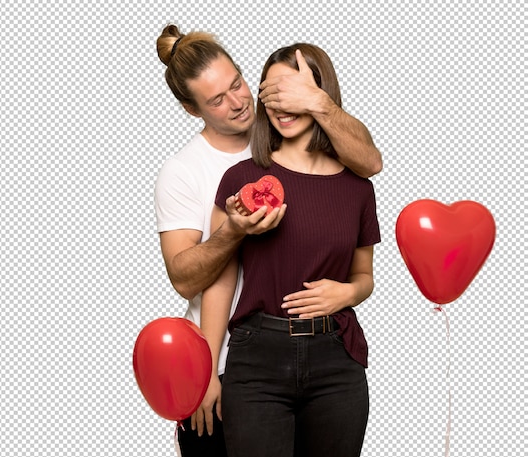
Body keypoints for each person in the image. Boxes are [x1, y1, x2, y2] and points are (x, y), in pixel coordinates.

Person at [154, 24, 382, 457]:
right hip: (238, 357)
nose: (239, 102)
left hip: (333, 352)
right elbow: (201, 279)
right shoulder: (204, 174)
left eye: (239, 85)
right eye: (217, 100)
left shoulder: (349, 175)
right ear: (192, 109)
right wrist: (205, 370)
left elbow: (370, 165)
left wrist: (348, 293)